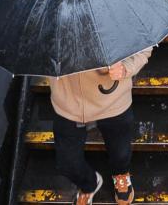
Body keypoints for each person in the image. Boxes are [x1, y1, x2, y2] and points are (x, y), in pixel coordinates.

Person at [48, 48, 152, 205]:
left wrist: (126, 67)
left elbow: (143, 47)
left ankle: (120, 173)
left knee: (120, 153)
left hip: (113, 100)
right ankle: (89, 184)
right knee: (67, 163)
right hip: (68, 103)